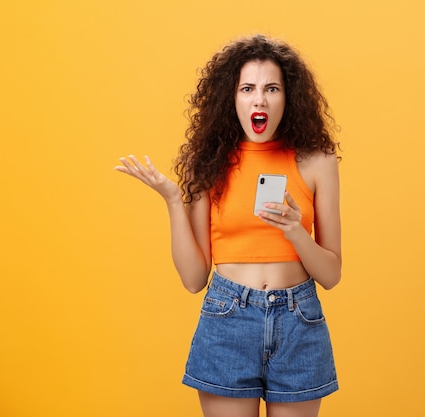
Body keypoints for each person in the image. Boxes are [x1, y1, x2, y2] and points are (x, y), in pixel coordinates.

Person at [115, 34, 341, 417]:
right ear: (231, 98)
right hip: (227, 318)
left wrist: (295, 231)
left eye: (272, 88)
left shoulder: (317, 162)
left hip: (299, 322)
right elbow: (193, 279)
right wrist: (174, 199)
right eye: (247, 88)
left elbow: (332, 273)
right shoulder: (206, 164)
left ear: (288, 97)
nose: (260, 100)